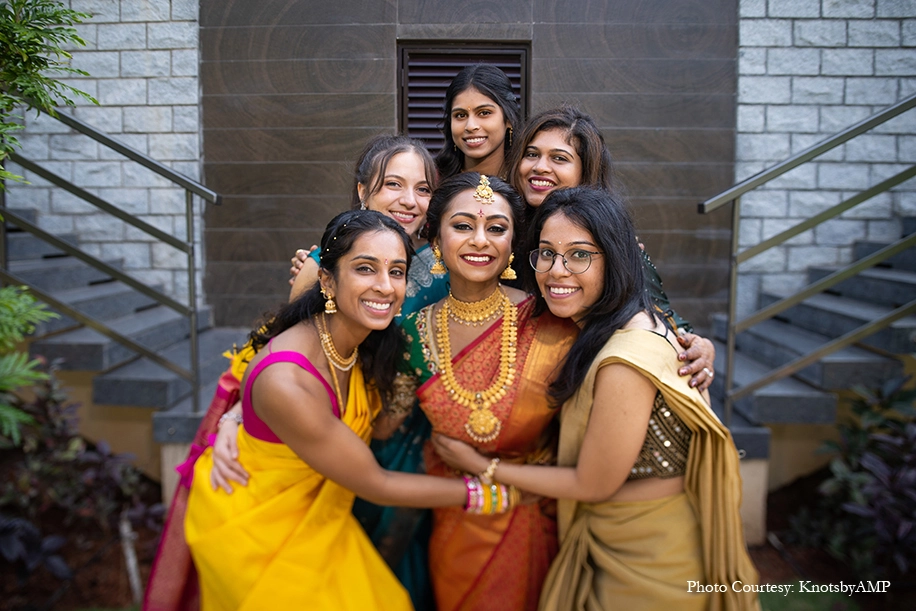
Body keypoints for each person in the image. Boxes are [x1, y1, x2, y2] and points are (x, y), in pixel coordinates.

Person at [143, 135, 445, 611]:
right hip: (322, 459)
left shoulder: (448, 260)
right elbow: (277, 351)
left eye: (423, 188)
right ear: (363, 191)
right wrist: (235, 416)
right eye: (393, 184)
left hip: (409, 446)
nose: (409, 200)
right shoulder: (325, 266)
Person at [433, 187, 760, 611]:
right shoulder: (634, 321)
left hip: (647, 561)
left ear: (615, 258)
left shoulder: (623, 360)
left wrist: (483, 467)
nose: (557, 270)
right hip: (629, 540)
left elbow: (592, 482)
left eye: (580, 255)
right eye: (546, 253)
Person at [184, 210, 516, 610]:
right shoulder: (288, 380)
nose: (384, 286)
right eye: (365, 269)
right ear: (327, 279)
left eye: (396, 272)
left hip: (322, 520)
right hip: (259, 535)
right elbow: (377, 483)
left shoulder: (362, 343)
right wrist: (494, 494)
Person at [397, 172, 579, 611]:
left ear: (513, 243)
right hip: (456, 526)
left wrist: (690, 344)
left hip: (540, 520)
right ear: (435, 239)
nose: (480, 240)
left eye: (496, 228)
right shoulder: (410, 334)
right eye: (462, 225)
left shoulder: (553, 324)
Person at [505, 104, 715, 389]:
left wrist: (700, 347)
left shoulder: (616, 247)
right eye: (531, 154)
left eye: (559, 158)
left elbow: (663, 321)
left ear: (585, 170)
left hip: (592, 387)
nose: (540, 166)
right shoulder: (503, 235)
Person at [434, 63, 521, 179]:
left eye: (484, 113)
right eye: (460, 115)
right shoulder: (432, 180)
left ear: (509, 119)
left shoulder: (526, 182)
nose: (470, 126)